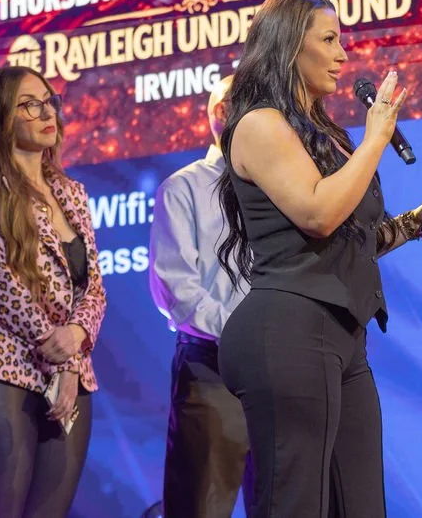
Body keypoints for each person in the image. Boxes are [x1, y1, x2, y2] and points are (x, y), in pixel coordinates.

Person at [214, 0, 422, 518]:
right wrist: (376, 138)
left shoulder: (321, 133)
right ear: (290, 46)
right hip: (288, 330)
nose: (342, 54)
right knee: (295, 505)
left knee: (361, 506)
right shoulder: (259, 124)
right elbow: (318, 214)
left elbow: (350, 236)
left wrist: (415, 225)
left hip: (342, 333)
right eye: (329, 40)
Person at [0, 66, 107, 518]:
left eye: (49, 101)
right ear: (0, 119)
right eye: (29, 105)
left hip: (70, 376)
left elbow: (94, 287)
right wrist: (54, 343)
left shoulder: (73, 194)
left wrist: (72, 347)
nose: (47, 112)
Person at [149, 74, 253, 517]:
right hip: (212, 369)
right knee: (203, 507)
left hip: (278, 374)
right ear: (221, 112)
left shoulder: (279, 189)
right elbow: (177, 292)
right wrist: (249, 335)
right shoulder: (183, 188)